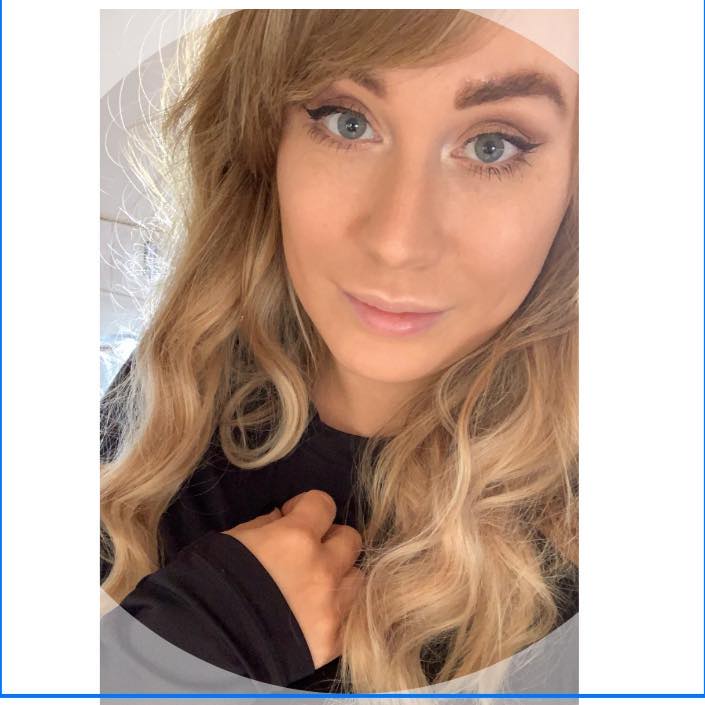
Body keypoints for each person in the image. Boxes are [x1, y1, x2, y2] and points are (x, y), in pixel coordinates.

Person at [100, 8, 579, 695]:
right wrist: (183, 645)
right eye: (347, 121)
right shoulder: (176, 385)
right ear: (265, 142)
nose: (397, 240)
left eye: (492, 145)